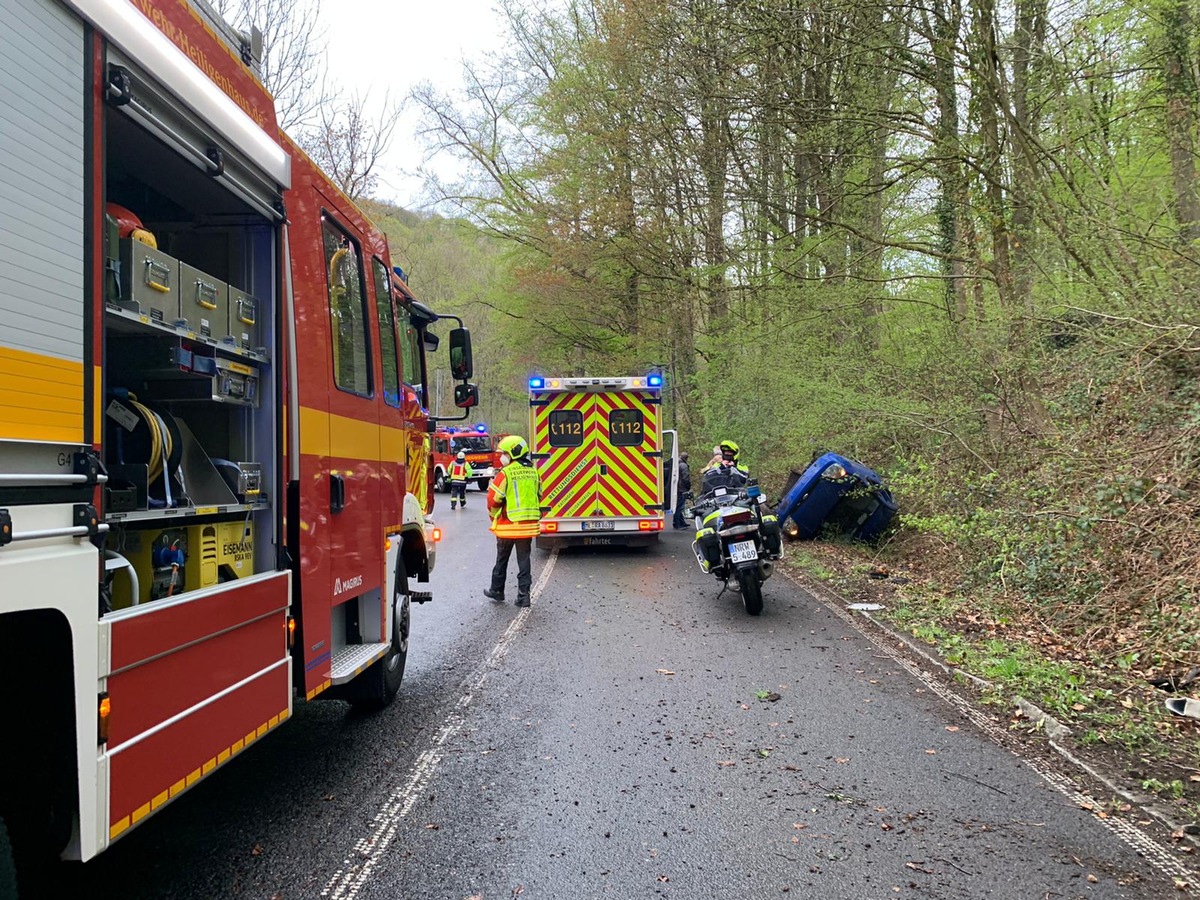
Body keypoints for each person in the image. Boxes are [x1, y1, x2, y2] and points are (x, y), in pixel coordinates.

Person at [483, 435, 542, 608]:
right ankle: (524, 597)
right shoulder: (533, 472)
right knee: (524, 560)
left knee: (502, 559)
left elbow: (493, 499)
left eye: (505, 453)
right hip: (528, 526)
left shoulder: (506, 473)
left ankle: (497, 590)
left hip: (508, 526)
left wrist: (493, 518)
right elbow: (539, 496)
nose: (503, 457)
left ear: (514, 453)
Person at [672, 452, 691, 529]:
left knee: (679, 506)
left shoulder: (677, 463)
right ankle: (677, 524)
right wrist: (688, 486)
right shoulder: (683, 465)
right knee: (679, 507)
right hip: (681, 488)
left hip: (677, 488)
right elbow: (686, 477)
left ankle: (682, 522)